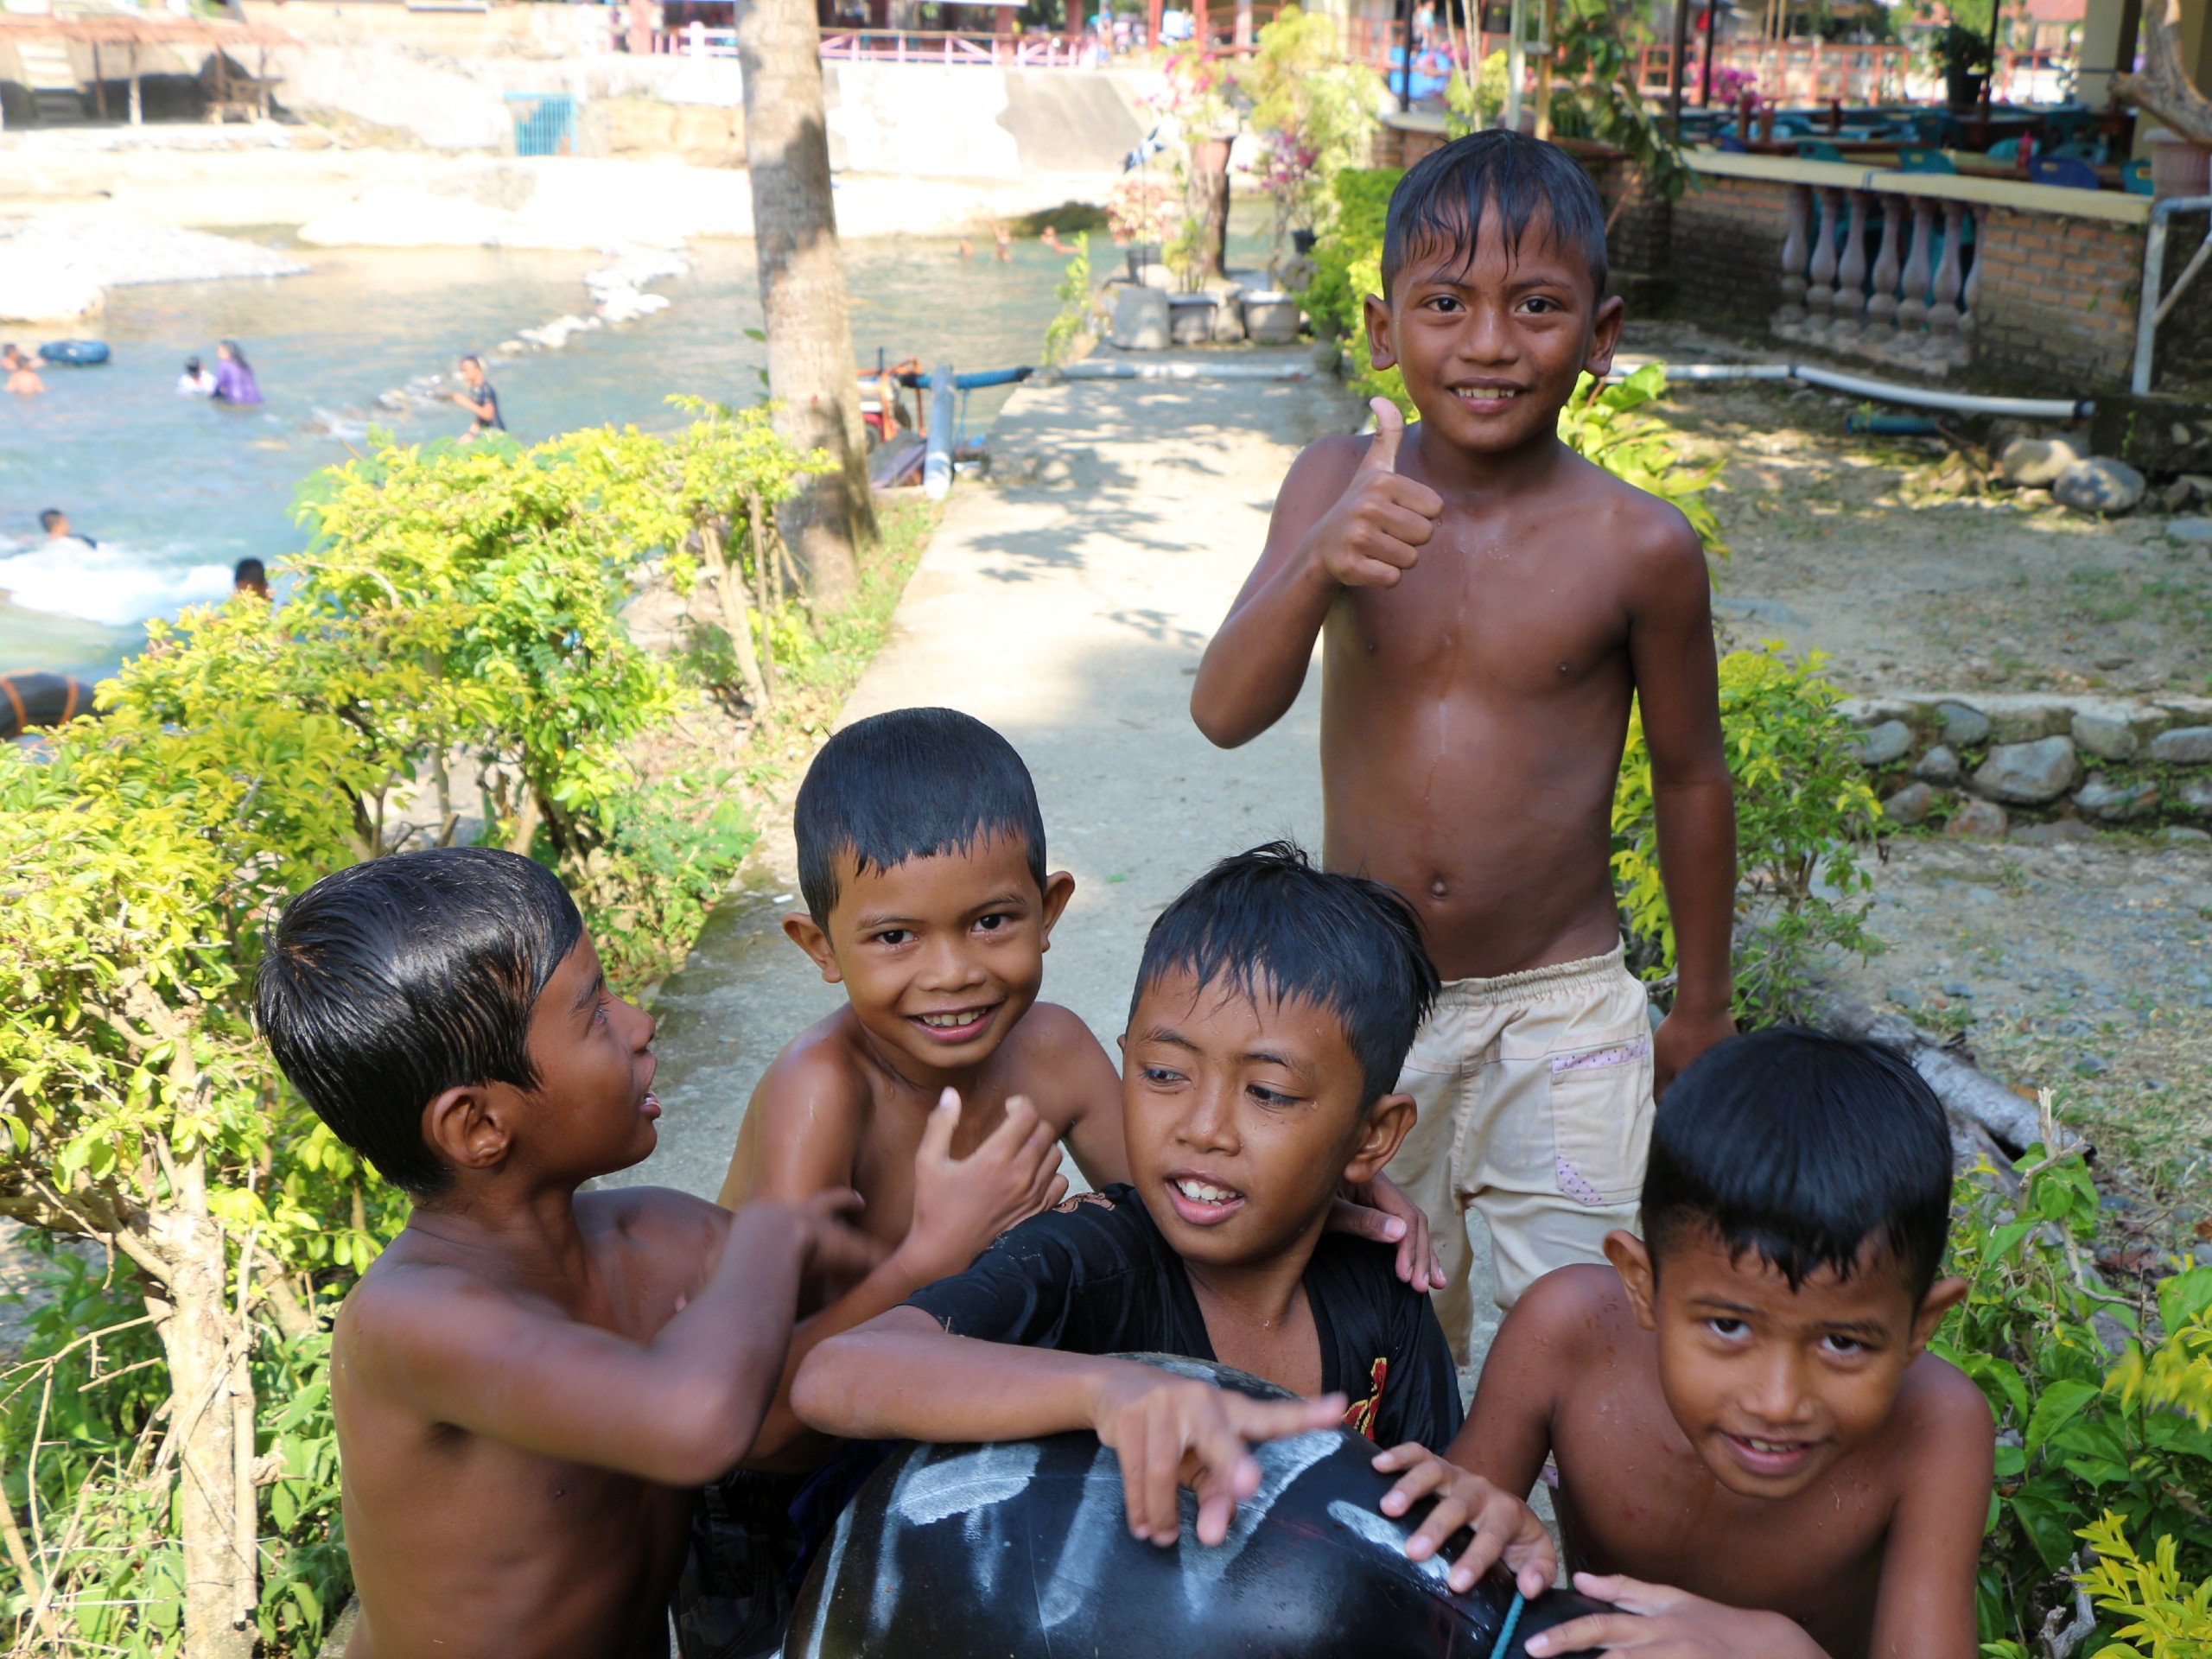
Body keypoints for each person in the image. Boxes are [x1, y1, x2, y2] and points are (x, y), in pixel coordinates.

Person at [703, 713, 1435, 1652]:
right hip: (791, 1469)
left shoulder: (1049, 1052)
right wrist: (934, 1252)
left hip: (951, 1416)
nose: (953, 972)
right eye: (895, 937)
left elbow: (1192, 1200)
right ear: (817, 945)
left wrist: (1339, 1182)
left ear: (1050, 910)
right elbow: (761, 1416)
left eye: (992, 921)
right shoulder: (820, 1095)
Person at [1188, 130, 1738, 1352]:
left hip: (1565, 1006)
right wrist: (1320, 560)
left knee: (1586, 1310)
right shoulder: (1335, 481)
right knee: (1379, 1308)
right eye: (1447, 305)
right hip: (1370, 1005)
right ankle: (1397, 1529)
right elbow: (1223, 711)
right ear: (1387, 329)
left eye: (1536, 307)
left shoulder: (1635, 544)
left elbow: (1693, 775)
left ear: (1601, 337)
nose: (1489, 343)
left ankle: (1551, 1538)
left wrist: (1701, 1003)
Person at [794, 842, 1550, 1598]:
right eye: (1163, 1075)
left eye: (1270, 1094)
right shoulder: (1088, 1259)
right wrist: (1106, 1392)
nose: (1204, 1128)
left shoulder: (1383, 1292)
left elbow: (1423, 1556)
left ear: (1372, 1137)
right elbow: (837, 1375)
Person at [252, 847, 880, 1659]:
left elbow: (815, 1346)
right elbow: (695, 1420)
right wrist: (774, 1223)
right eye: (594, 1011)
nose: (640, 1022)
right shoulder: (410, 1324)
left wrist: (929, 1245)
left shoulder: (657, 1237)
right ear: (478, 1126)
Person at [1372, 1029, 1994, 1659]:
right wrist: (1477, 1531)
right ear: (1642, 1285)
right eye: (1728, 1326)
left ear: (1921, 1325)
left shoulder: (1935, 1428)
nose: (1778, 1402)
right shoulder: (1568, 1337)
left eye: (1842, 1342)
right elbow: (1433, 1579)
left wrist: (1785, 1650)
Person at [450, 354, 503, 442]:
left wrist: (465, 402)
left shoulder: (485, 390)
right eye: (462, 371)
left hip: (496, 435)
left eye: (466, 371)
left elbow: (488, 415)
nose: (464, 375)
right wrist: (470, 433)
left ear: (477, 370)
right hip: (485, 433)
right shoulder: (475, 389)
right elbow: (479, 418)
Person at [213, 340, 262, 405]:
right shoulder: (244, 364)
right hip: (256, 399)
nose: (217, 353)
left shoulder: (224, 364)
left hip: (236, 401)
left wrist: (212, 397)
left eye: (218, 350)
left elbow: (219, 385)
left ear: (224, 351)